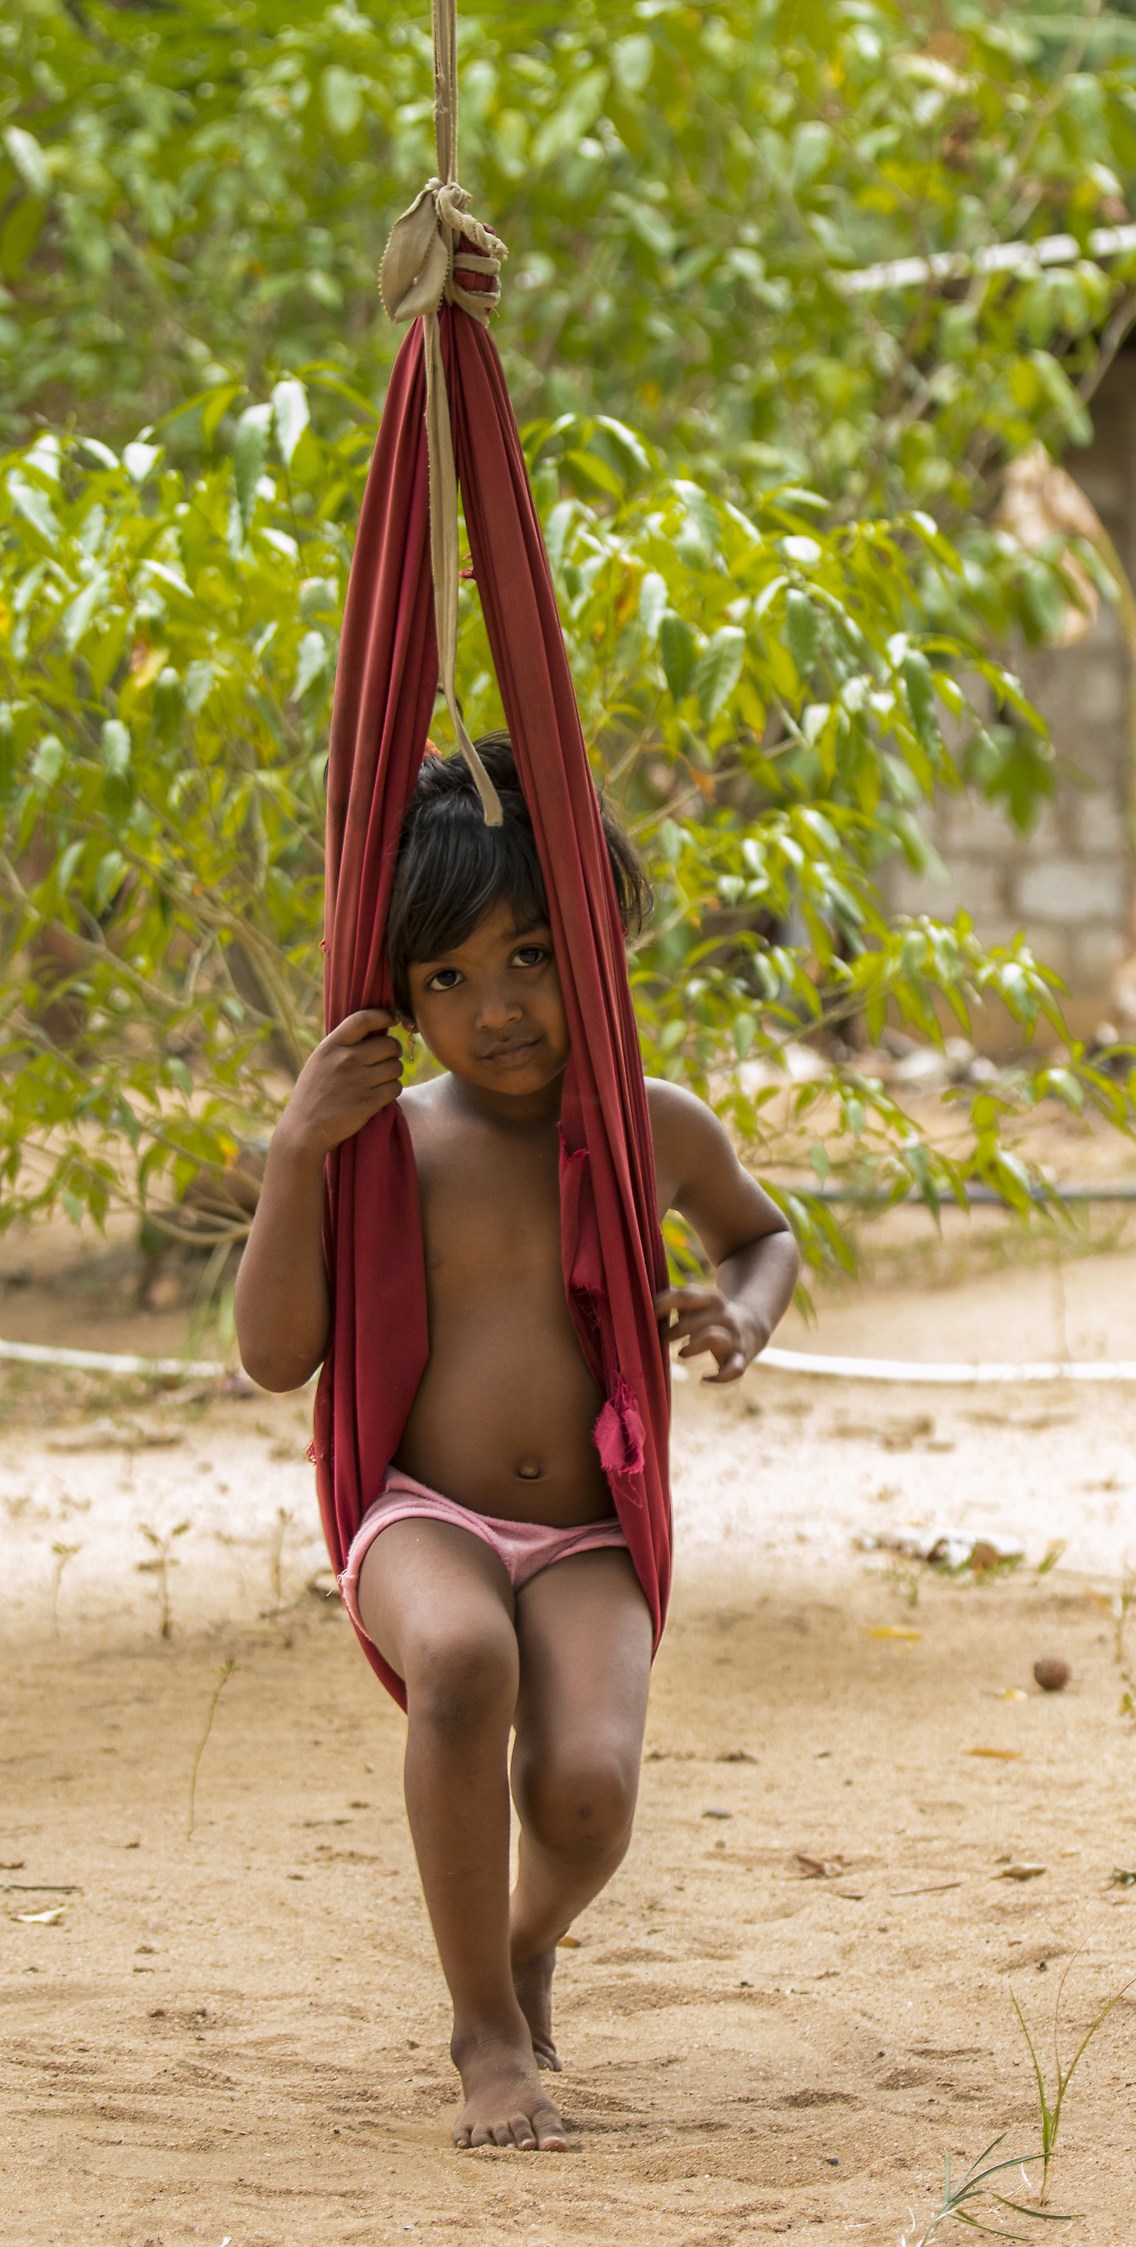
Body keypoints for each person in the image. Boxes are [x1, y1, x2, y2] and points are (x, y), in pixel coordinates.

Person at [234, 740, 799, 2154]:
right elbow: (270, 1355)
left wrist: (737, 1315)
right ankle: (485, 2032)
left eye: (532, 955)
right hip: (419, 1513)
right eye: (447, 979)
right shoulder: (385, 1145)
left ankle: (528, 1934)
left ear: (597, 941)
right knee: (465, 1662)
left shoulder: (645, 1128)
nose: (498, 1009)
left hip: (589, 1531)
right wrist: (300, 1148)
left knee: (589, 1797)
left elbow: (764, 1235)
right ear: (396, 995)